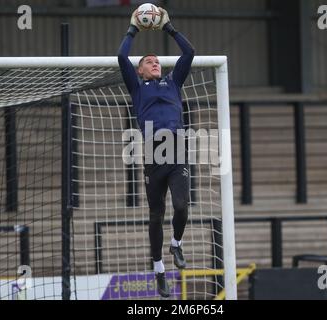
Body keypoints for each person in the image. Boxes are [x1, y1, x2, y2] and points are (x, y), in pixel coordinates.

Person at [118, 7, 195, 298]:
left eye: (157, 61)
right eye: (148, 61)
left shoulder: (173, 82)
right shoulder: (137, 88)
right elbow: (121, 57)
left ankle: (176, 243)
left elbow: (189, 53)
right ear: (140, 70)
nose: (154, 63)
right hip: (152, 154)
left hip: (176, 150)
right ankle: (159, 269)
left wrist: (169, 28)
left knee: (181, 206)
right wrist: (133, 29)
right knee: (155, 215)